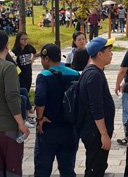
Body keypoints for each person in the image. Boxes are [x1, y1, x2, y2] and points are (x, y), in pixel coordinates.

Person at [34, 44, 80, 177]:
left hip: (48, 127)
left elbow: (40, 98)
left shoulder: (44, 76)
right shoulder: (75, 74)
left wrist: (39, 118)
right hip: (70, 128)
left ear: (46, 59)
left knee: (43, 168)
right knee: (67, 169)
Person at [0, 29, 30, 177]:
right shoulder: (8, 67)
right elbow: (12, 96)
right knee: (12, 169)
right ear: (5, 46)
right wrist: (21, 123)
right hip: (7, 128)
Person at [78, 37, 115, 177]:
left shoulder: (94, 71)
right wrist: (104, 134)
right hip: (95, 133)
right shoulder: (94, 75)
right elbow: (96, 108)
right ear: (99, 54)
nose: (111, 54)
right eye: (109, 51)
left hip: (95, 131)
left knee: (98, 166)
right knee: (95, 168)